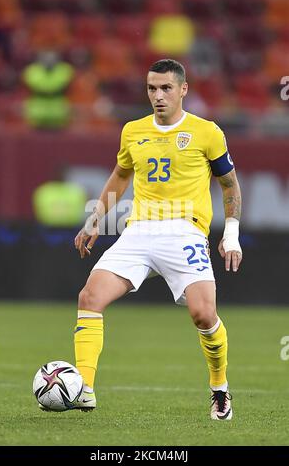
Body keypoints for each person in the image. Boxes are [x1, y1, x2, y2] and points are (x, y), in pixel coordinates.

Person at [73, 59, 242, 420]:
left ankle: (219, 388)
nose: (158, 95)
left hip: (185, 230)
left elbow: (229, 185)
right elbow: (120, 176)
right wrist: (94, 220)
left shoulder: (206, 132)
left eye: (166, 88)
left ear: (183, 90)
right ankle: (83, 390)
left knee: (203, 314)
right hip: (139, 231)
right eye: (152, 88)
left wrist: (231, 234)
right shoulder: (133, 130)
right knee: (90, 297)